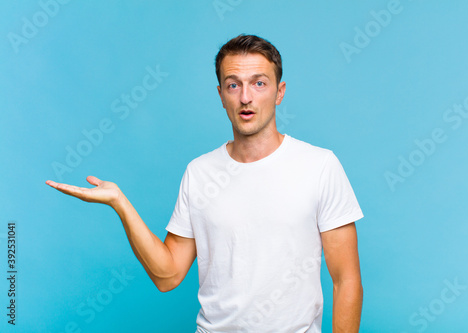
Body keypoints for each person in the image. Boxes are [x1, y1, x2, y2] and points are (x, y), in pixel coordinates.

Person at [46, 34, 364, 333]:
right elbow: (168, 275)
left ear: (279, 92)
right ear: (221, 95)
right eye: (233, 85)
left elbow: (346, 279)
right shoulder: (199, 172)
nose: (246, 97)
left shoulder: (319, 166)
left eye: (259, 83)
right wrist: (121, 204)